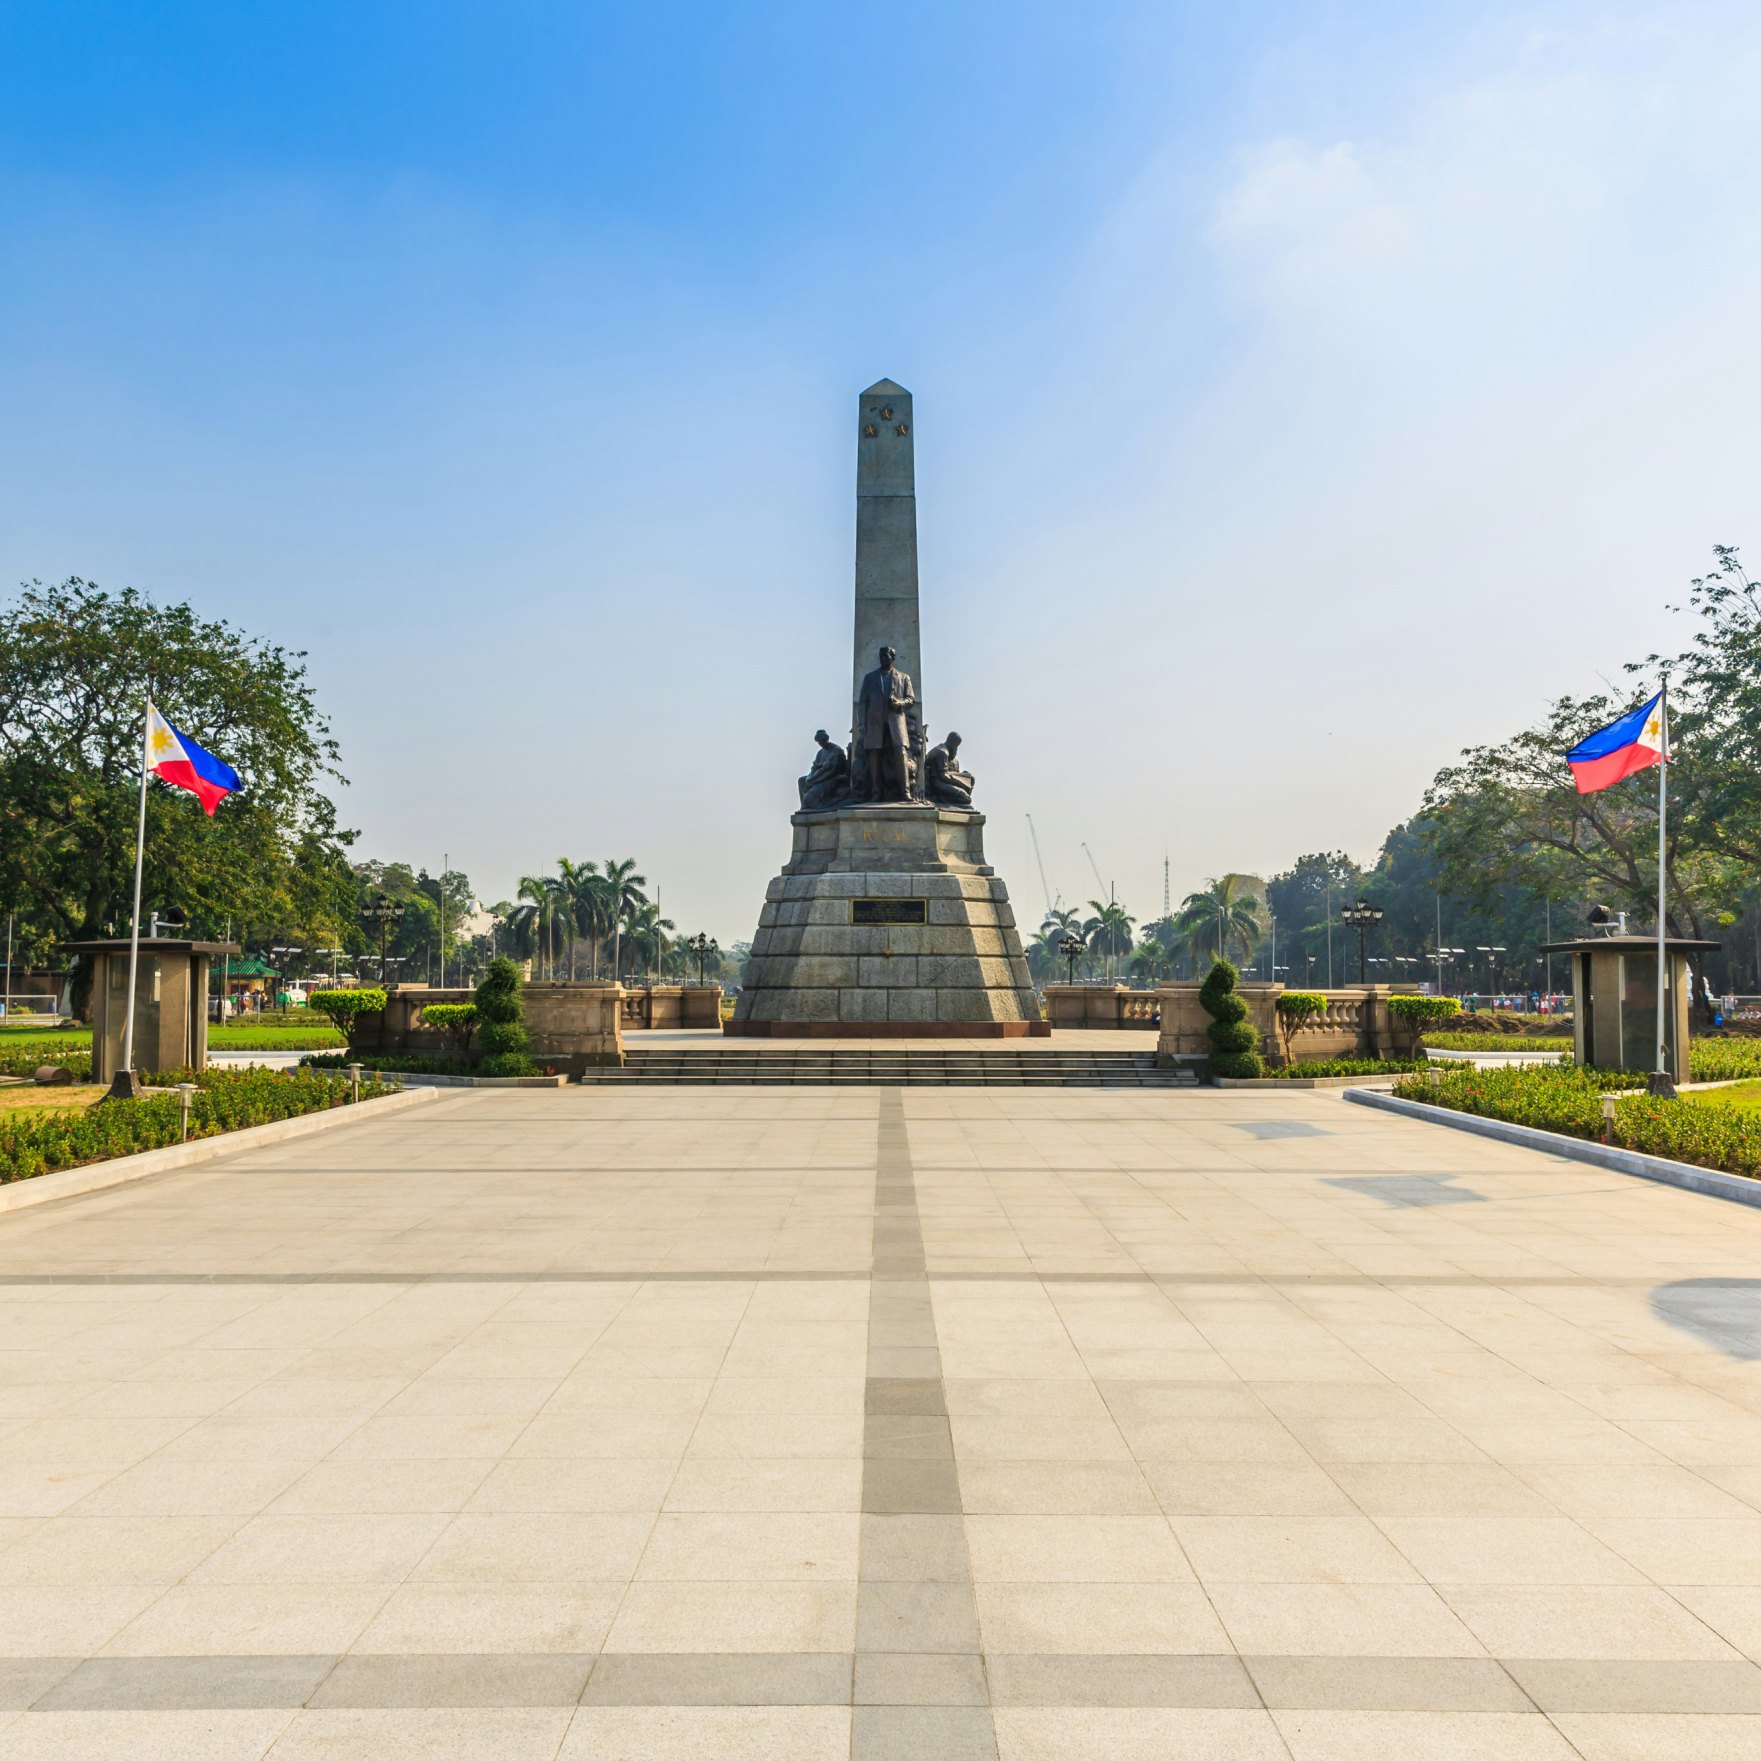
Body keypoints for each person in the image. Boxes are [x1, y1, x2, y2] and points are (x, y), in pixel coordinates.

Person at [855, 644, 917, 802]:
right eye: (881, 656)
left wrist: (899, 703)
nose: (883, 659)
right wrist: (861, 722)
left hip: (896, 721)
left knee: (901, 755)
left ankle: (905, 792)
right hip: (874, 722)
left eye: (887, 656)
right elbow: (862, 702)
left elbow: (911, 699)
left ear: (893, 658)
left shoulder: (903, 677)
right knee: (874, 757)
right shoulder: (870, 678)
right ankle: (876, 793)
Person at [797, 728, 850, 810]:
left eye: (822, 740)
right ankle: (805, 805)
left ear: (827, 739)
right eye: (819, 741)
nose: (821, 743)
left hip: (830, 779)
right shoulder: (821, 752)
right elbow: (814, 767)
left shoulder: (837, 750)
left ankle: (812, 803)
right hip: (819, 777)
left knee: (809, 799)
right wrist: (810, 778)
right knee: (802, 780)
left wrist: (815, 779)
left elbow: (832, 772)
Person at [923, 730, 975, 807]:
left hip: (938, 782)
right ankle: (936, 799)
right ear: (954, 744)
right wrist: (961, 783)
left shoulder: (940, 749)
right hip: (936, 784)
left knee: (971, 779)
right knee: (966, 799)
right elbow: (943, 776)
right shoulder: (942, 752)